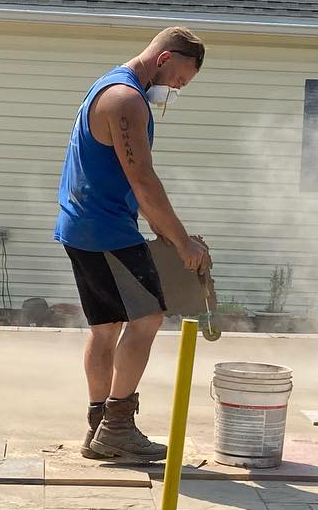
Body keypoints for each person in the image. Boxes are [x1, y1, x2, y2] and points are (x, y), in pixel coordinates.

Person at [55, 26, 212, 461]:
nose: (178, 89)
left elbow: (127, 178)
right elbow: (141, 179)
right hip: (104, 229)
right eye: (180, 79)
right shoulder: (126, 100)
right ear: (164, 59)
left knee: (105, 329)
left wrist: (169, 232)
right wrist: (181, 243)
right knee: (146, 318)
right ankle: (116, 428)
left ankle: (97, 428)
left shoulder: (110, 85)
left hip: (82, 224)